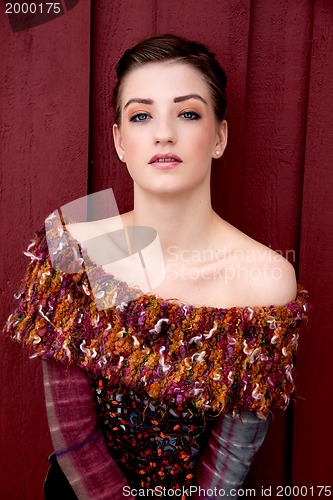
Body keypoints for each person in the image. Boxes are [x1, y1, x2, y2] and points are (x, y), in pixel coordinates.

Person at [3, 34, 309, 499]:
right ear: (119, 140)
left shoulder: (265, 279)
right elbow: (75, 435)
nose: (163, 133)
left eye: (188, 113)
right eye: (141, 115)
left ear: (220, 136)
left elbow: (232, 455)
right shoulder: (75, 247)